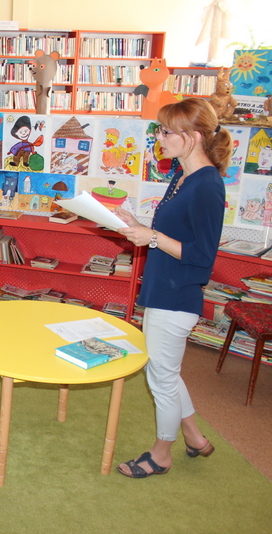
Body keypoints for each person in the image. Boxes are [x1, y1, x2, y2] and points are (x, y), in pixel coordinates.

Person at [114, 98, 231, 478]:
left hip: (178, 294)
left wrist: (153, 237)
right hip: (163, 288)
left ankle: (161, 454)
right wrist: (138, 226)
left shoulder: (207, 185)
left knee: (161, 377)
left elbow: (202, 256)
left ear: (192, 136)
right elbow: (172, 233)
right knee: (166, 370)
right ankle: (194, 436)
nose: (159, 139)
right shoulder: (181, 176)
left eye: (166, 132)